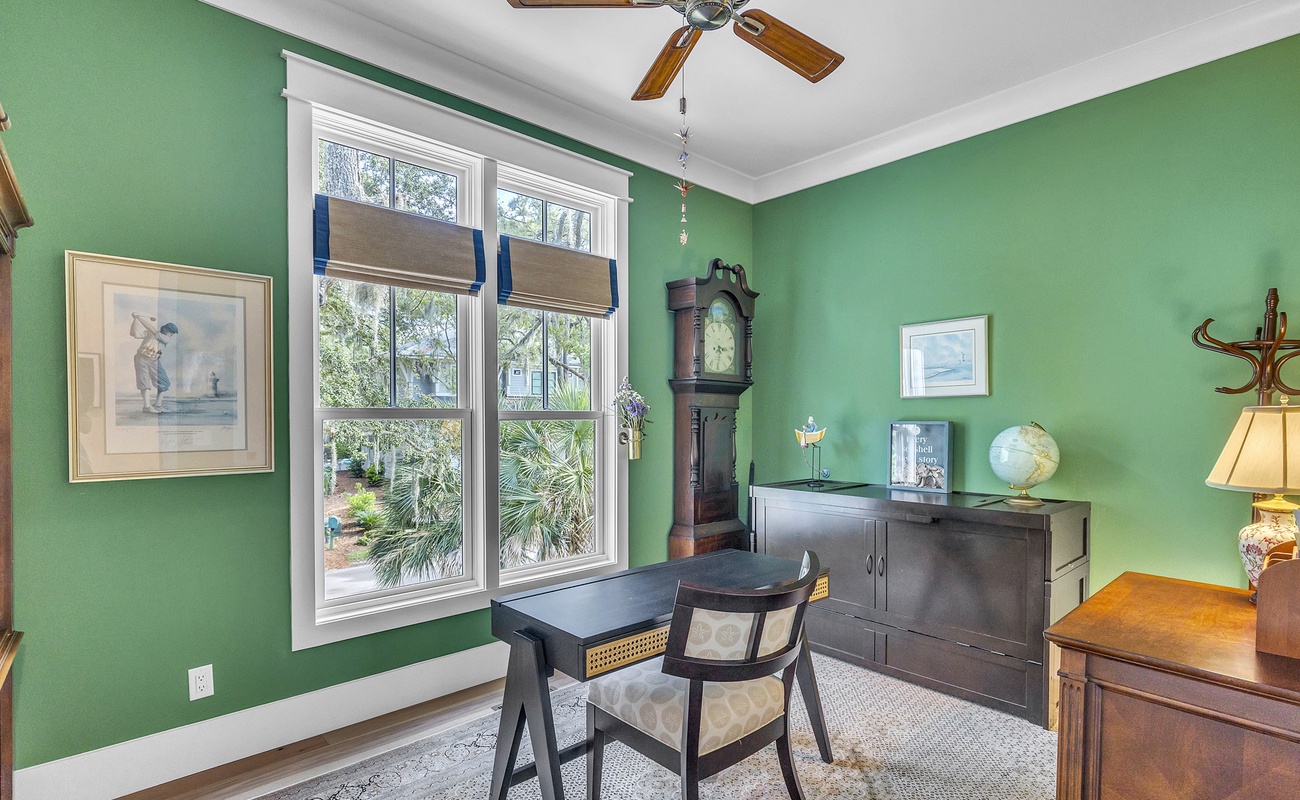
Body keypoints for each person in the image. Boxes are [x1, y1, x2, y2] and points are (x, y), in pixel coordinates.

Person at [131, 312, 178, 414]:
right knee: (144, 381)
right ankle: (147, 406)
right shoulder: (151, 333)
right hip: (141, 358)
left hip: (154, 360)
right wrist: (135, 320)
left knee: (164, 382)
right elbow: (134, 333)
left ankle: (157, 405)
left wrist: (139, 318)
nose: (172, 334)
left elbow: (152, 329)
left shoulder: (165, 338)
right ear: (165, 329)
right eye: (171, 332)